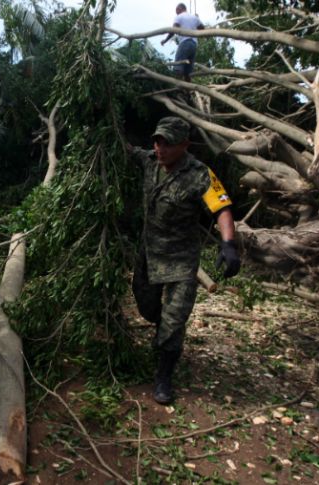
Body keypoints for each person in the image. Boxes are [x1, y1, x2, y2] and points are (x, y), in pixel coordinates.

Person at [127, 116, 240, 405]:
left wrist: (228, 243)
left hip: (181, 262)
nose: (160, 148)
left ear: (185, 145)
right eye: (157, 141)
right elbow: (124, 148)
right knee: (147, 306)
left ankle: (164, 375)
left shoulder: (200, 173)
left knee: (174, 320)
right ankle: (163, 330)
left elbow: (222, 207)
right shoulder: (150, 160)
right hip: (149, 255)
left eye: (167, 143)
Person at [161, 3, 205, 82]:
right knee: (187, 72)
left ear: (179, 9)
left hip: (185, 43)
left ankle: (178, 89)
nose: (176, 13)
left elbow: (173, 30)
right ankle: (187, 92)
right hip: (194, 45)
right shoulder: (194, 18)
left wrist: (165, 40)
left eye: (176, 11)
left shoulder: (179, 17)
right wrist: (196, 21)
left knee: (178, 67)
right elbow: (202, 29)